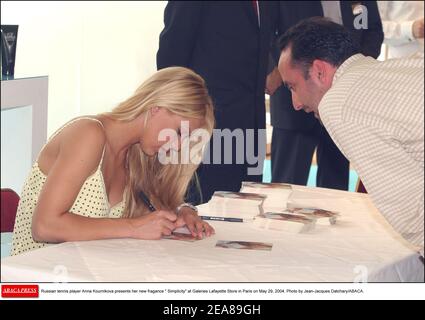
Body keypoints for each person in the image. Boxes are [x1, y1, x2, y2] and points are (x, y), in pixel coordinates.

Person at [11, 67, 216, 256]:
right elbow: (44, 226)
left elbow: (153, 215)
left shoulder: (136, 156)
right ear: (156, 107)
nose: (179, 146)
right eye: (180, 131)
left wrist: (182, 212)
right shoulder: (88, 133)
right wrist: (133, 227)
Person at [277, 17, 424, 254]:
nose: (295, 103)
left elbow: (411, 212)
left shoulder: (339, 104)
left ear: (319, 71)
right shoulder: (396, 68)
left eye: (292, 87)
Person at [157, 1, 279, 204]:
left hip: (251, 125)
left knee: (246, 208)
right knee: (199, 210)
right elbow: (173, 51)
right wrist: (178, 119)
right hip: (205, 125)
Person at [266, 1, 383, 190]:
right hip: (294, 103)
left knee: (335, 189)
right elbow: (266, 31)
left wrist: (353, 70)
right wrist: (280, 71)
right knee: (286, 188)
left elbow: (374, 31)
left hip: (342, 101)